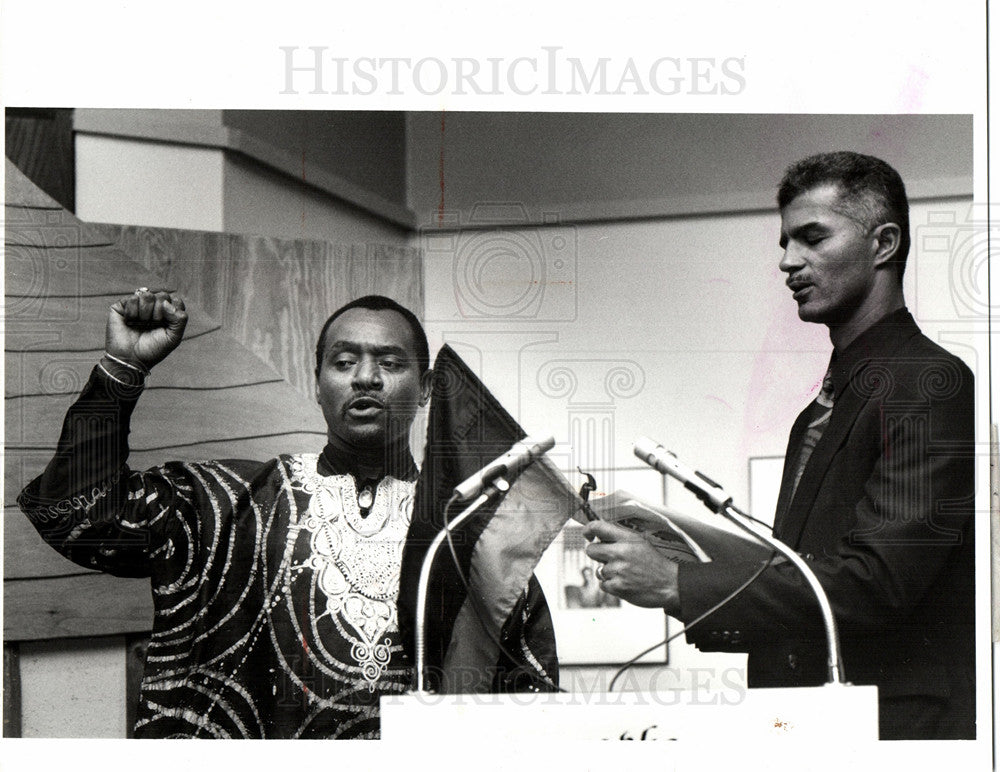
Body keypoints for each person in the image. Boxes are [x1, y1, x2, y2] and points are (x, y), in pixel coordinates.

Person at [18, 292, 554, 738]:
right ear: (317, 380)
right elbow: (77, 516)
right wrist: (123, 368)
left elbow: (533, 700)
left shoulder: (466, 534)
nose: (366, 377)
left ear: (428, 388)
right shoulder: (224, 501)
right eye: (344, 362)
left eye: (390, 363)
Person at [584, 152, 975, 740]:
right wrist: (679, 571)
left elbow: (878, 584)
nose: (789, 261)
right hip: (801, 723)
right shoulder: (821, 407)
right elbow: (804, 575)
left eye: (812, 238)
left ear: (884, 243)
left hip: (890, 730)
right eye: (786, 242)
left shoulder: (928, 381)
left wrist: (677, 582)